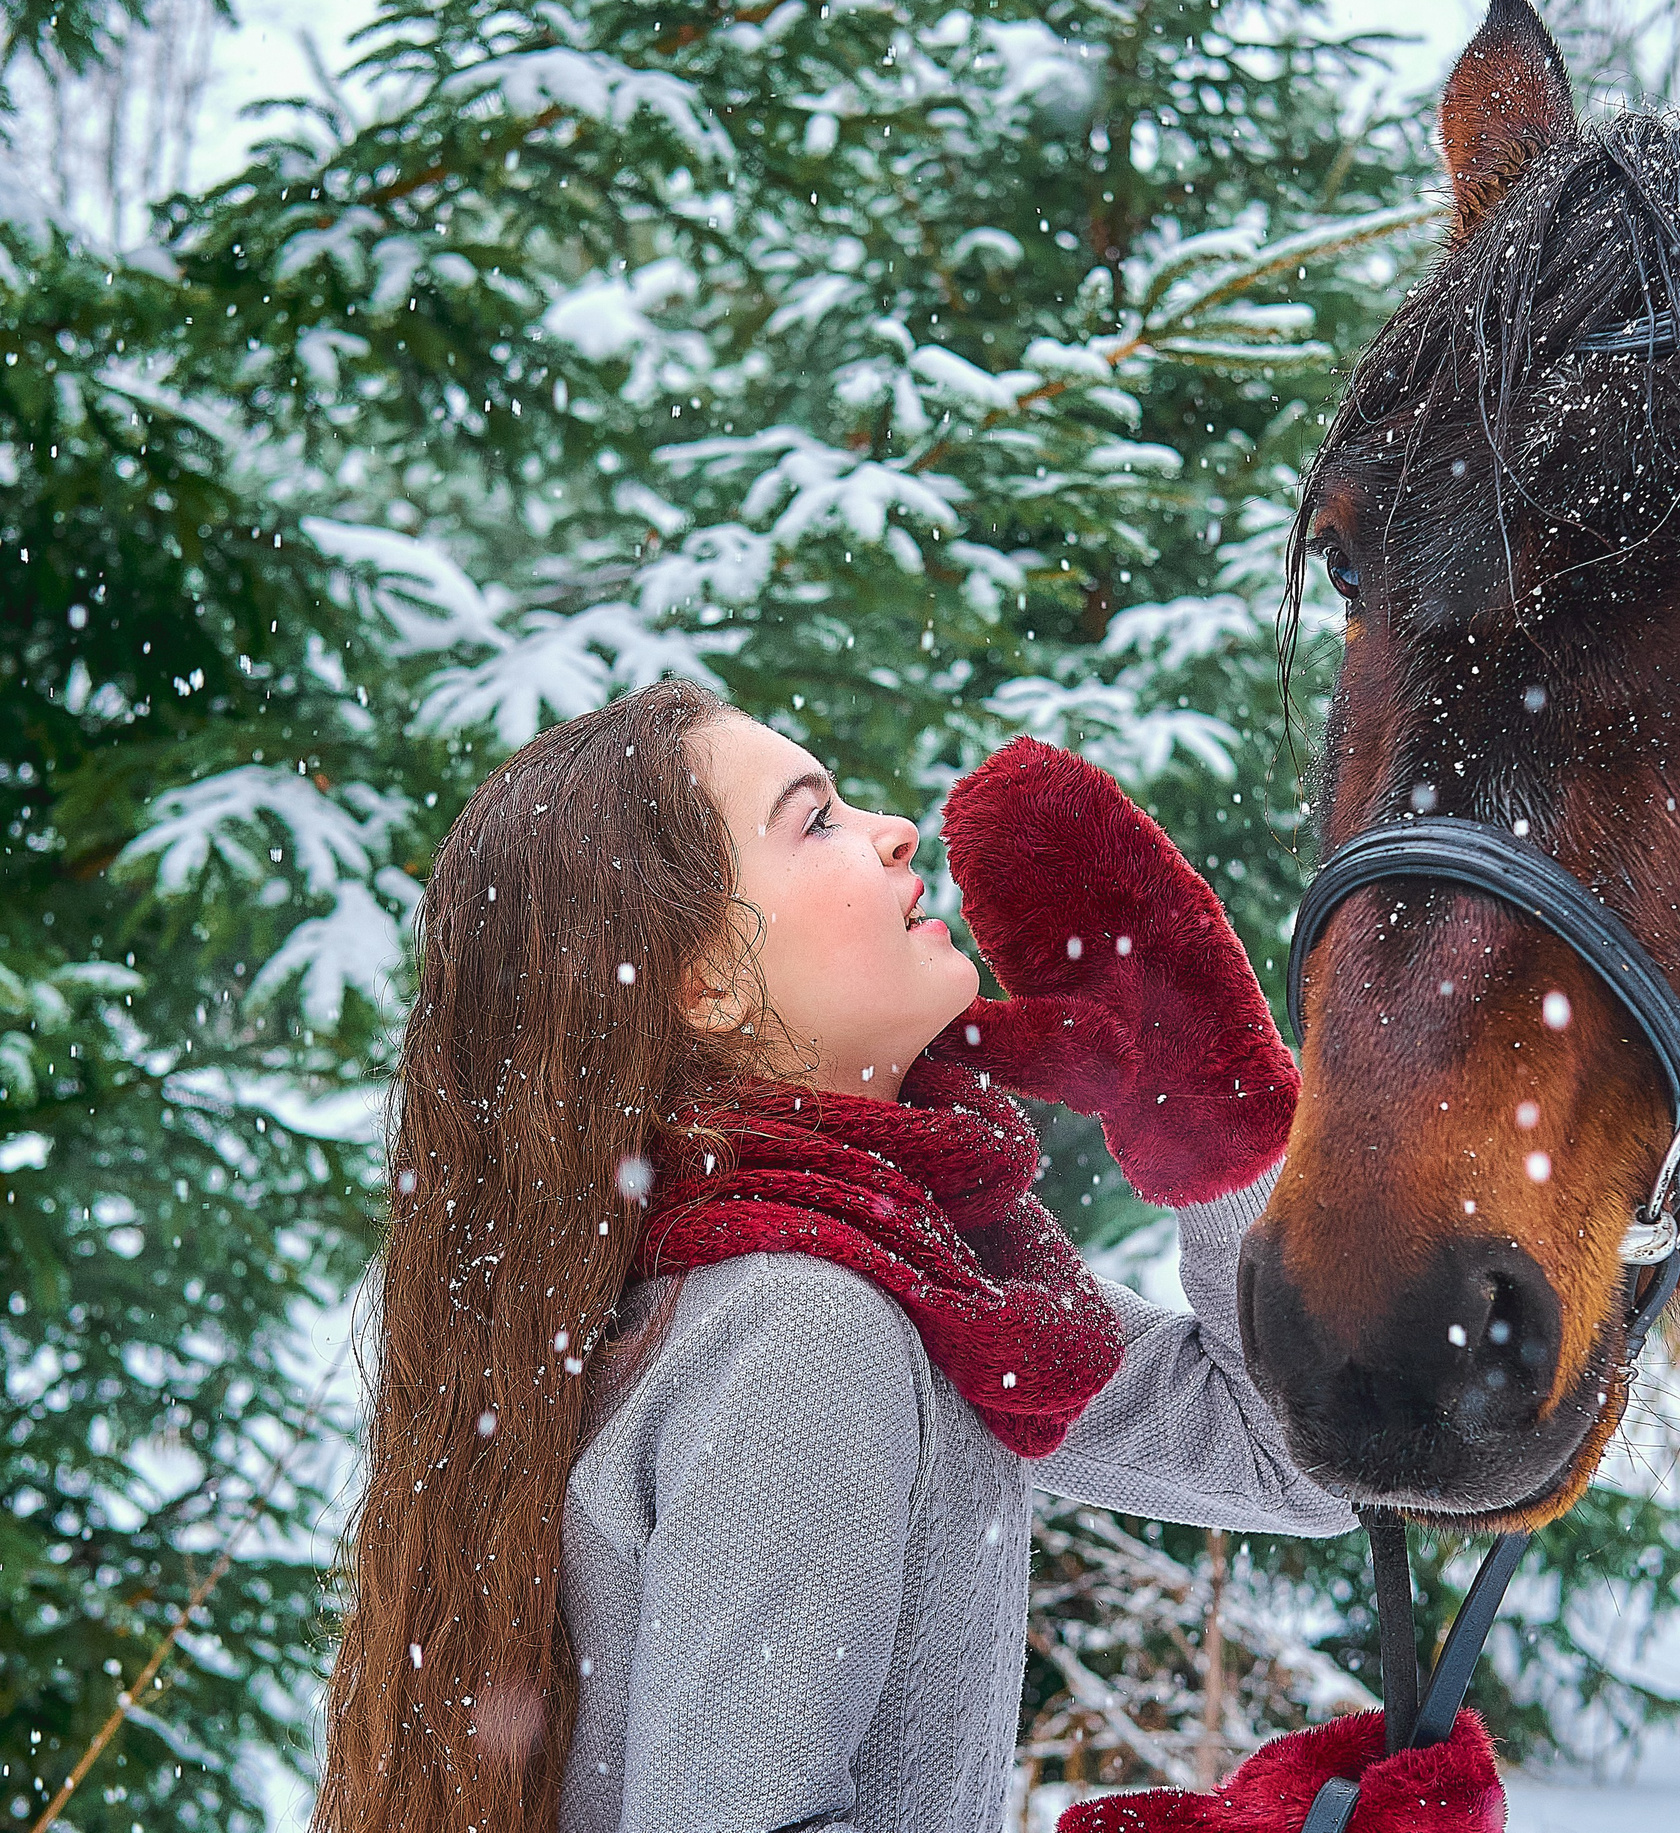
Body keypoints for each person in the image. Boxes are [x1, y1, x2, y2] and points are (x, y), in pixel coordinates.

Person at [308, 675, 1357, 1833]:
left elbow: (1291, 1456)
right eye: (815, 819)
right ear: (703, 985)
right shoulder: (804, 1319)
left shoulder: (907, 1277)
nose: (894, 829)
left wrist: (1215, 1111)